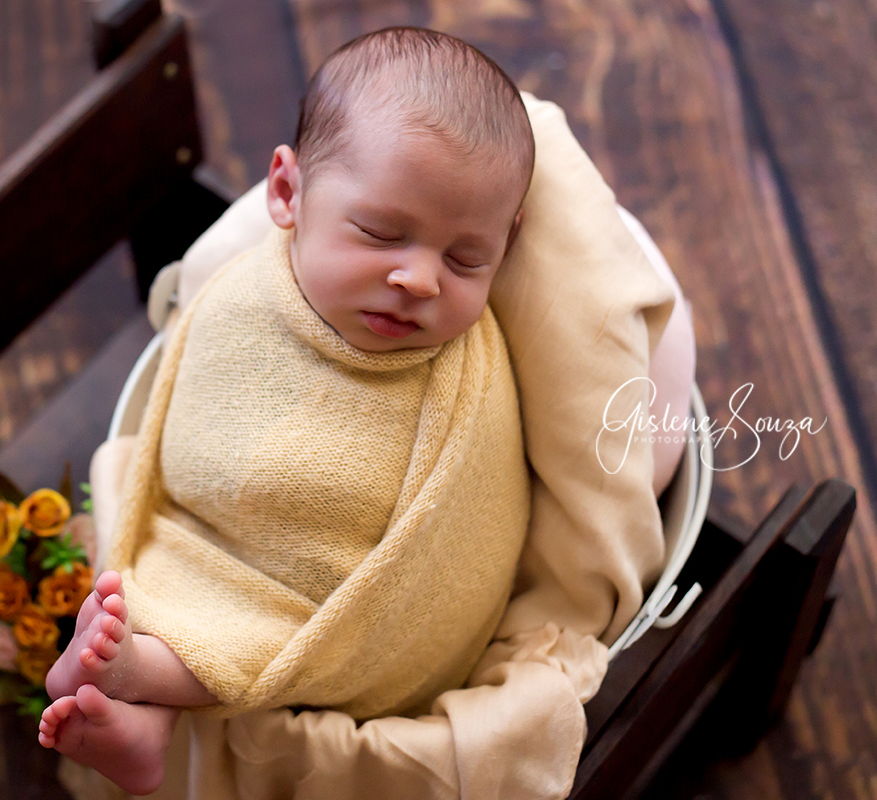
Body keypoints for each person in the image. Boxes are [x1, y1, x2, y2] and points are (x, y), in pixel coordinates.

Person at [38, 27, 537, 795]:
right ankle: (142, 712)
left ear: (507, 246)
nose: (419, 279)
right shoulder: (247, 290)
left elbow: (473, 504)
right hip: (206, 532)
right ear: (288, 194)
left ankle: (141, 676)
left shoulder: (471, 368)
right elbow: (191, 420)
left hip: (334, 593)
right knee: (157, 556)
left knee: (266, 631)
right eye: (380, 232)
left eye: (466, 259)